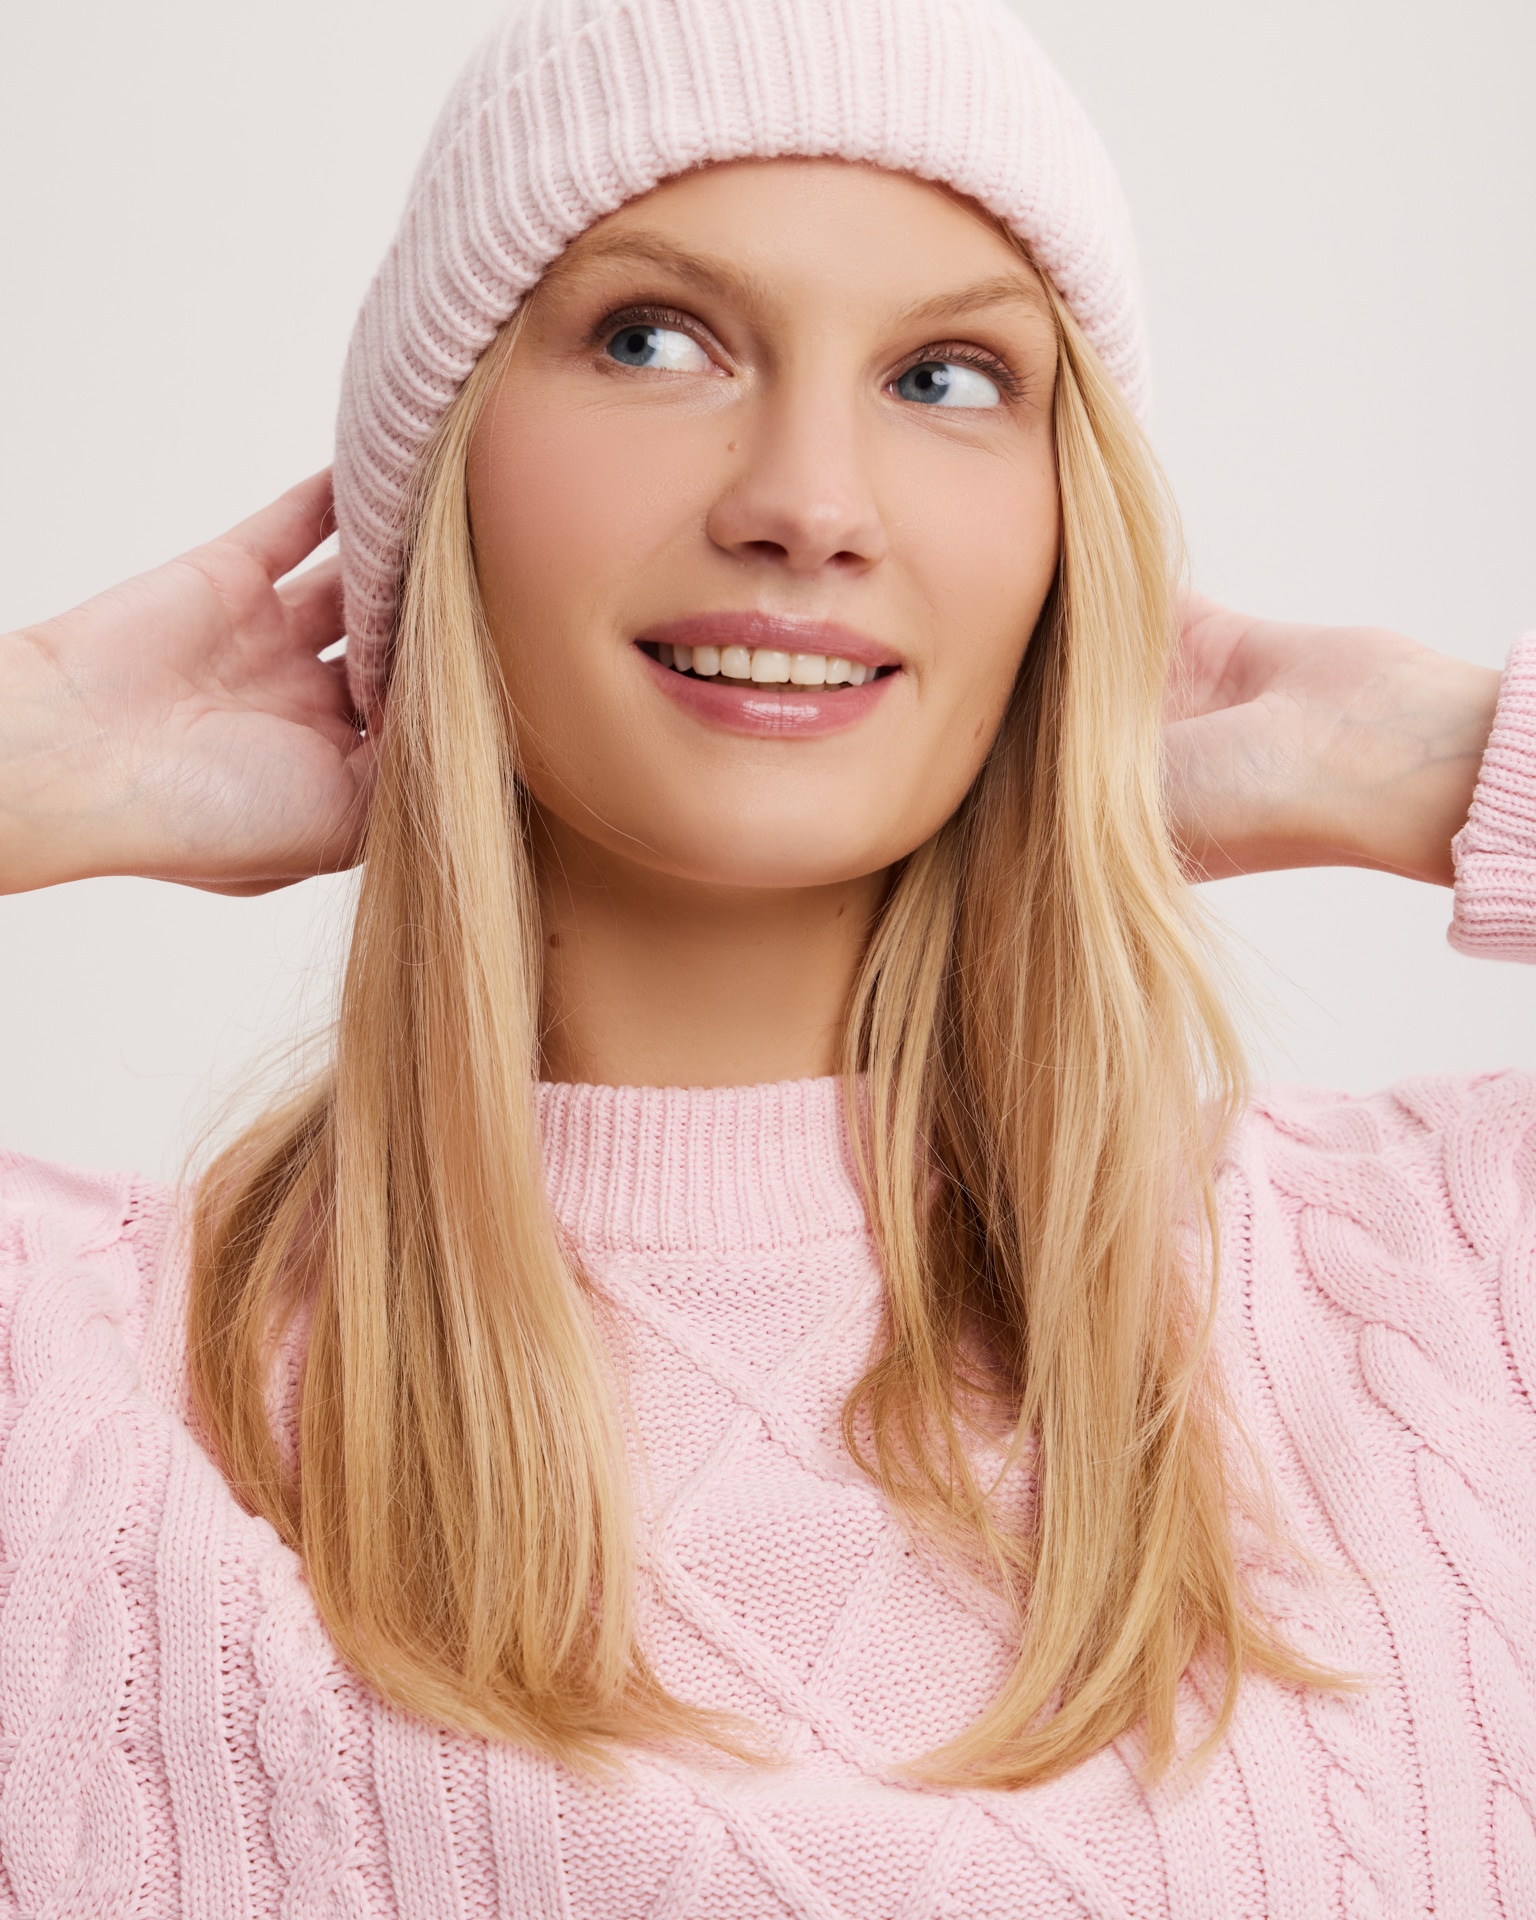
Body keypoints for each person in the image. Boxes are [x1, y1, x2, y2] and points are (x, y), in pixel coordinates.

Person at [0, 0, 1531, 1911]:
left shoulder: (1455, 1297)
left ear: (1072, 528)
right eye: (654, 340)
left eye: (949, 377)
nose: (807, 502)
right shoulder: (68, 1382)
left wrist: (1440, 763)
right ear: (443, 475)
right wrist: (31, 766)